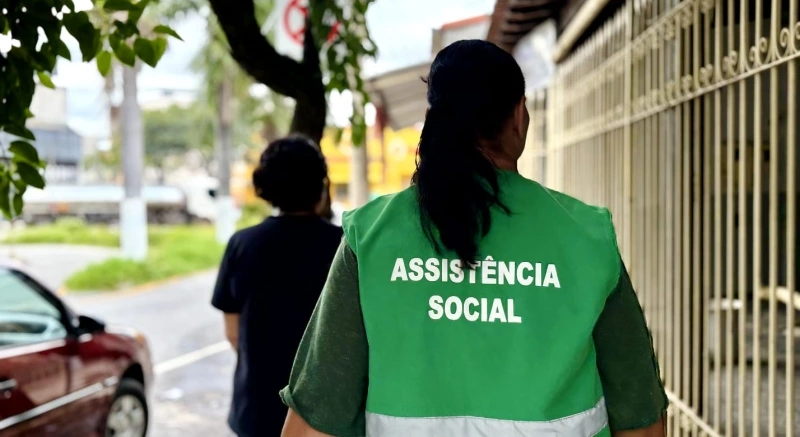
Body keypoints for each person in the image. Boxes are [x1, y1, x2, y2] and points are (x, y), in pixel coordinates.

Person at [280, 40, 667, 437]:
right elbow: (641, 415)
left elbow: (312, 425)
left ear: (434, 118)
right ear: (519, 115)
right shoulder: (586, 236)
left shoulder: (374, 237)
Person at [211, 135, 343, 437]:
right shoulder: (344, 246)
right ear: (320, 186)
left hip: (256, 406)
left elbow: (233, 333)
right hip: (325, 413)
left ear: (267, 188)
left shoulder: (242, 244)